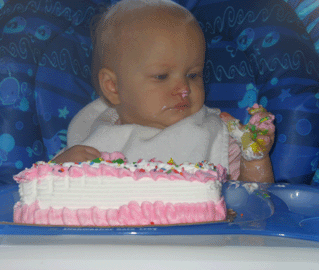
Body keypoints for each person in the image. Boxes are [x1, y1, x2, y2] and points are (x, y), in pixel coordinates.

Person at [53, 0, 275, 183]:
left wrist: (255, 160)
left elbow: (256, 201)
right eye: (161, 76)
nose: (184, 89)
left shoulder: (216, 137)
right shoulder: (92, 139)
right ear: (113, 87)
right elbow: (43, 197)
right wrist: (58, 170)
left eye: (193, 75)